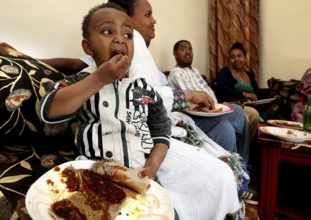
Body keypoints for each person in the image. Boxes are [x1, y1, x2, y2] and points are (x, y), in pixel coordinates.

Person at [40, 2, 243, 219]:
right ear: (88, 48)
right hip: (94, 175)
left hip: (139, 176)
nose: (119, 39)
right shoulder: (84, 81)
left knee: (167, 213)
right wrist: (98, 79)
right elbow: (50, 110)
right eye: (108, 32)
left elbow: (161, 129)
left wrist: (153, 166)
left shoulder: (142, 89)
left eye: (128, 35)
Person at [167, 39, 258, 204]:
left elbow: (210, 94)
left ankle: (242, 169)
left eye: (190, 49)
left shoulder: (195, 71)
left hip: (213, 108)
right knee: (225, 127)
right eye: (182, 49)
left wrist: (221, 107)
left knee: (239, 113)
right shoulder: (175, 74)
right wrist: (215, 109)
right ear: (175, 53)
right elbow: (190, 102)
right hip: (198, 113)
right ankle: (238, 186)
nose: (187, 52)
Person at [216, 42, 260, 143]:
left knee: (257, 115)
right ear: (230, 60)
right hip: (233, 105)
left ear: (245, 58)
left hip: (250, 105)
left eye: (239, 56)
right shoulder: (225, 72)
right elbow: (222, 89)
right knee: (252, 116)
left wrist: (257, 99)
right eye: (233, 57)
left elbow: (257, 92)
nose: (236, 59)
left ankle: (246, 147)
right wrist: (243, 94)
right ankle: (242, 147)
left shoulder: (250, 75)